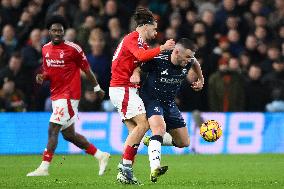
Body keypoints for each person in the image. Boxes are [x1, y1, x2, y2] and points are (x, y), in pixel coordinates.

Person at [26, 15, 110, 177]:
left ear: (64, 32)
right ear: (49, 32)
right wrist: (43, 76)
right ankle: (100, 155)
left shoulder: (74, 49)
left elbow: (87, 70)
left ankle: (44, 167)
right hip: (56, 95)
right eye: (54, 30)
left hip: (69, 96)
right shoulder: (45, 49)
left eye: (60, 30)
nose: (57, 33)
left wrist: (97, 87)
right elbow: (48, 71)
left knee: (53, 128)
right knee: (69, 135)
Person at [109, 7, 175, 184]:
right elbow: (140, 55)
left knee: (136, 132)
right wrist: (162, 48)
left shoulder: (141, 43)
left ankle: (125, 173)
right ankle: (125, 166)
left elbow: (141, 59)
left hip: (124, 88)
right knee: (143, 123)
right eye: (154, 29)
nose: (155, 33)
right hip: (122, 88)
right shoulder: (133, 38)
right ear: (145, 26)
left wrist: (137, 70)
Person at [131, 38, 204, 182]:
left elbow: (195, 62)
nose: (189, 60)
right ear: (176, 52)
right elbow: (139, 66)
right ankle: (154, 168)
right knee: (159, 129)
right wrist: (136, 74)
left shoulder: (189, 61)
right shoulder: (159, 59)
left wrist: (201, 79)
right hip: (152, 100)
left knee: (184, 142)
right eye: (187, 56)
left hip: (169, 103)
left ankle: (152, 141)